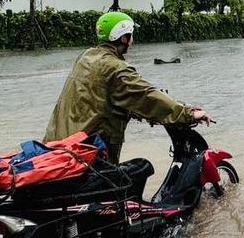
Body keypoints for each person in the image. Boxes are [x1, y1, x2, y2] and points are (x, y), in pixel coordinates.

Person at [44, 11, 212, 161]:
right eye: (130, 36)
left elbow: (99, 99)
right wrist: (188, 114)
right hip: (90, 151)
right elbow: (147, 96)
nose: (132, 41)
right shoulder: (116, 69)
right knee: (142, 168)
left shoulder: (86, 57)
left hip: (59, 143)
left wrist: (134, 111)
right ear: (123, 38)